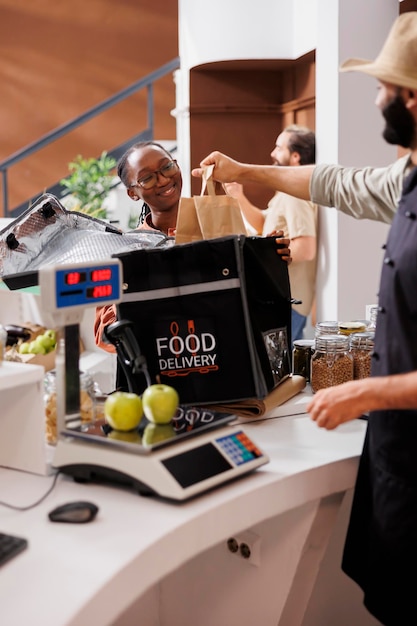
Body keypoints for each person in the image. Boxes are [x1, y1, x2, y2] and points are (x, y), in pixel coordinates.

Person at [193, 12, 417, 625]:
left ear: (413, 98)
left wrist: (370, 388)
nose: (376, 98)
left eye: (385, 87)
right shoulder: (409, 176)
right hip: (400, 455)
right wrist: (246, 174)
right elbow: (333, 183)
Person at [94, 141, 292, 354]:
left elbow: (250, 298)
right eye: (147, 178)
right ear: (133, 193)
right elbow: (105, 335)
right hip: (166, 369)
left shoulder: (218, 228)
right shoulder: (128, 252)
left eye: (167, 167)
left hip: (226, 359)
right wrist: (135, 288)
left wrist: (267, 259)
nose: (163, 180)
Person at [224, 125, 317, 343]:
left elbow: (306, 247)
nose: (272, 154)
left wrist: (265, 256)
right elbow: (264, 222)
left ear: (295, 157)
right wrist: (239, 196)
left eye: (278, 148)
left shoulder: (296, 194)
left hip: (288, 302)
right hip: (282, 299)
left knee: (278, 372)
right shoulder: (287, 193)